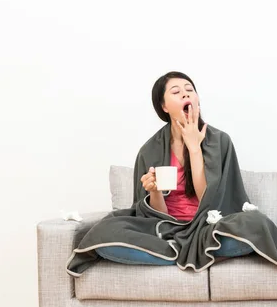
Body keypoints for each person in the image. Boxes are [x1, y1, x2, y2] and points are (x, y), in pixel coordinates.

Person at [95, 71, 254, 266]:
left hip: (210, 226)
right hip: (167, 229)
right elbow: (154, 215)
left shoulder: (220, 141)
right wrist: (154, 192)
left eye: (190, 90)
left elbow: (211, 200)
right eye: (176, 92)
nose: (186, 94)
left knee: (255, 225)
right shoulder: (149, 150)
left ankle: (174, 253)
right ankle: (192, 251)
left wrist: (194, 148)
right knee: (105, 231)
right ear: (164, 107)